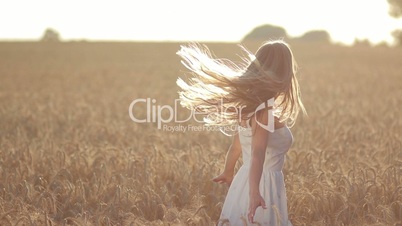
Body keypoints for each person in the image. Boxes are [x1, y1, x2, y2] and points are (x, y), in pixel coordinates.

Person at [176, 40, 306, 225]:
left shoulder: (248, 107)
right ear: (284, 72)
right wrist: (255, 194)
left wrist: (228, 171)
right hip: (262, 185)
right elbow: (258, 152)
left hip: (244, 181)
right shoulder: (265, 110)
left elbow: (237, 146)